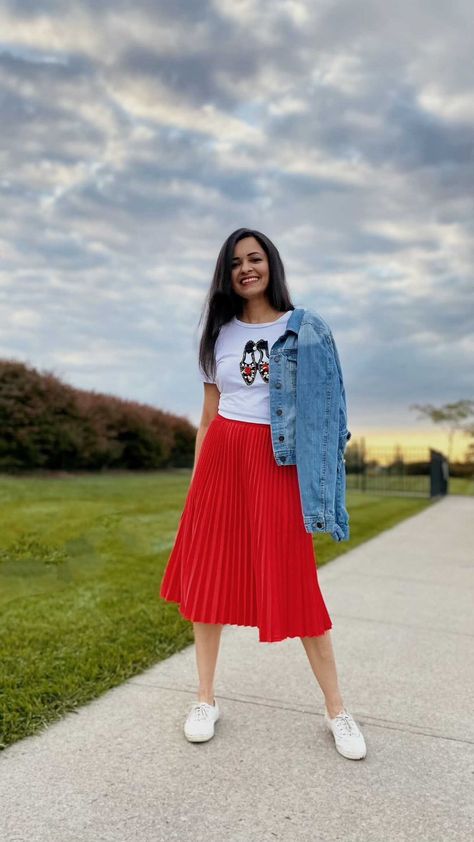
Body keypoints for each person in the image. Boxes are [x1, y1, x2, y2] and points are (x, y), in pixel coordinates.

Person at [159, 227, 366, 760]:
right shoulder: (217, 335)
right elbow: (208, 417)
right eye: (235, 263)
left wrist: (322, 481)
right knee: (208, 581)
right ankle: (205, 699)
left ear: (270, 263)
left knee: (295, 581)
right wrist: (195, 486)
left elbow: (329, 410)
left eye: (254, 258)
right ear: (226, 275)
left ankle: (338, 710)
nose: (245, 268)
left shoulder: (305, 329)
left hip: (278, 464)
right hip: (223, 460)